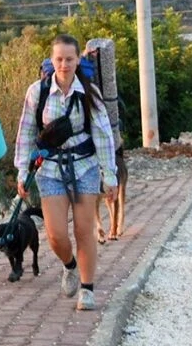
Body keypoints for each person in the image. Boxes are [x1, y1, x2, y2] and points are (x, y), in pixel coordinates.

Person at [14, 34, 118, 311]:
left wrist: (110, 175)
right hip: (50, 169)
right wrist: (22, 170)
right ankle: (69, 265)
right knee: (56, 234)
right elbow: (26, 132)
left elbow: (103, 134)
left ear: (77, 60)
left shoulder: (89, 94)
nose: (64, 65)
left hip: (84, 167)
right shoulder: (37, 92)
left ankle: (87, 289)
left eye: (69, 59)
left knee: (84, 230)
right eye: (59, 59)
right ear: (52, 60)